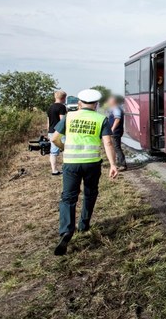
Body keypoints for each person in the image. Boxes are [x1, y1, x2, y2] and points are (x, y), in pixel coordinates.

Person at [51, 89, 118, 255]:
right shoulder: (101, 118)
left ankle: (66, 230)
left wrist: (63, 147)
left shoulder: (70, 116)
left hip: (71, 163)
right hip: (92, 164)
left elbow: (54, 138)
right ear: (95, 105)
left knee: (68, 197)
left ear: (80, 103)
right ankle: (83, 224)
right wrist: (113, 165)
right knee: (90, 193)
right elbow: (108, 143)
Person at [46, 90, 68, 176]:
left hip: (51, 131)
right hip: (59, 132)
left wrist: (48, 131)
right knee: (65, 149)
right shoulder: (61, 107)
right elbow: (62, 121)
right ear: (63, 98)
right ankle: (66, 168)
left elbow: (48, 121)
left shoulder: (50, 107)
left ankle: (54, 170)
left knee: (53, 152)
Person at [106, 95, 127, 171]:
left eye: (109, 101)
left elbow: (117, 119)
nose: (108, 103)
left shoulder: (116, 109)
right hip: (116, 131)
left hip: (115, 131)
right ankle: (118, 163)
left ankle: (122, 164)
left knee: (117, 148)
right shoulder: (115, 108)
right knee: (115, 147)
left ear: (113, 102)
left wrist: (112, 129)